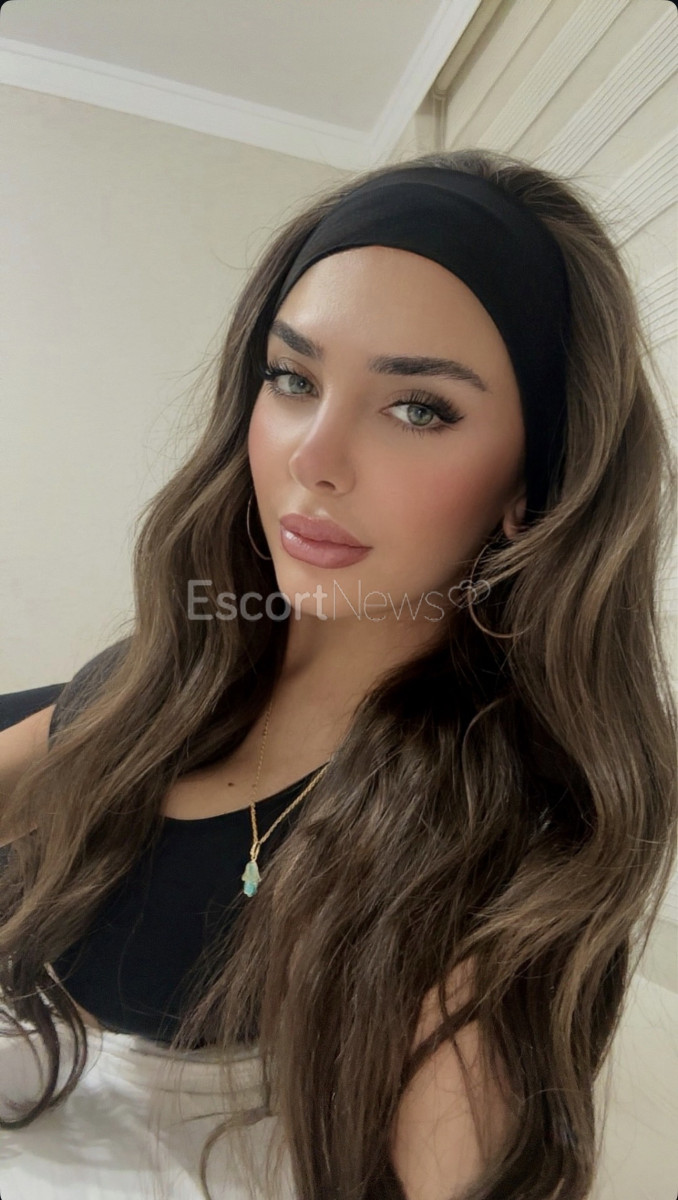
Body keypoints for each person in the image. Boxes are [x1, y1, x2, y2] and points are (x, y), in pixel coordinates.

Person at [0, 146, 675, 1200]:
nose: (312, 457)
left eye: (419, 407)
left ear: (532, 481)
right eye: (293, 378)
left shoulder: (497, 841)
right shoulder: (166, 672)